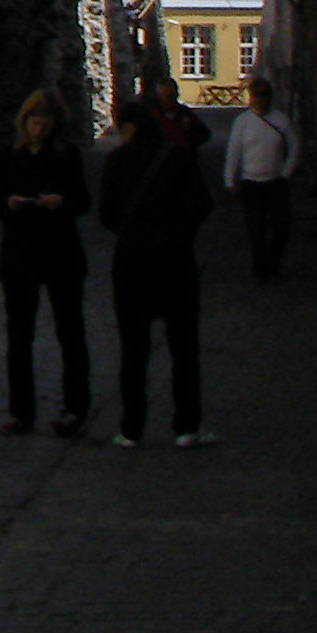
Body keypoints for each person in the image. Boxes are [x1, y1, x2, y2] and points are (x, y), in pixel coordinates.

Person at [98, 96, 215, 449]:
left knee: (133, 350)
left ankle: (132, 428)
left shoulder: (116, 161)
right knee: (184, 348)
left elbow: (106, 215)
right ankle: (187, 426)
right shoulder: (177, 157)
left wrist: (132, 231)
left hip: (132, 262)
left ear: (128, 128)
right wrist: (180, 232)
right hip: (175, 260)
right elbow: (201, 204)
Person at [0, 87, 90, 437]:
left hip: (60, 253)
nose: (38, 129)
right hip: (20, 254)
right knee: (19, 337)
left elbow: (83, 200)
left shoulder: (65, 156)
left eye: (44, 124)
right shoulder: (8, 157)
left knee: (70, 334)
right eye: (34, 122)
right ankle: (21, 411)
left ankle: (75, 408)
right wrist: (9, 204)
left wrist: (62, 201)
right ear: (24, 122)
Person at [223, 76, 302, 281]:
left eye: (265, 95)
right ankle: (260, 269)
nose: (261, 99)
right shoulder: (243, 123)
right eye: (257, 95)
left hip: (275, 181)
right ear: (251, 97)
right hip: (251, 182)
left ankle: (274, 260)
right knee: (256, 228)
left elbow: (294, 146)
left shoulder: (280, 120)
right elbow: (234, 152)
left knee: (281, 226)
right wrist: (230, 181)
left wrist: (286, 172)